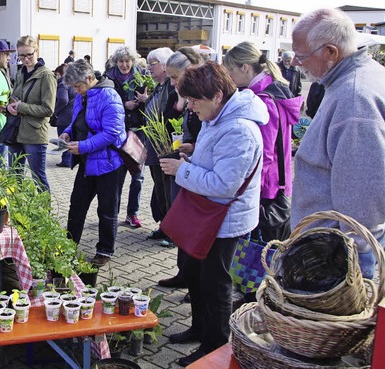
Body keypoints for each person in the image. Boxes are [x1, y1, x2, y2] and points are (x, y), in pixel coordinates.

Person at [160, 61, 265, 366]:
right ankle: (198, 328)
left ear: (217, 95)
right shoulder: (218, 116)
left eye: (194, 101)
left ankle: (214, 345)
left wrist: (183, 170)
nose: (190, 108)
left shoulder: (240, 130)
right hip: (206, 212)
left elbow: (223, 186)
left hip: (224, 218)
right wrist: (194, 151)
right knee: (194, 274)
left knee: (216, 282)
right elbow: (216, 161)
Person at [291, 8, 385, 279]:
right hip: (333, 247)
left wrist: (353, 259)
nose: (296, 64)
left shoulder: (354, 99)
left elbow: (363, 195)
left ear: (331, 52)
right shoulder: (356, 78)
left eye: (301, 56)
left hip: (337, 256)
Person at [223, 41, 303, 242]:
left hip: (266, 184)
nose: (229, 76)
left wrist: (249, 186)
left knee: (261, 248)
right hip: (276, 179)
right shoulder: (273, 90)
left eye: (230, 69)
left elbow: (264, 151)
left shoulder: (262, 100)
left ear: (245, 67)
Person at [59, 59, 127, 268]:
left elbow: (112, 133)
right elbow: (77, 119)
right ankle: (68, 246)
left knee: (107, 209)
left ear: (89, 78)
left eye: (77, 86)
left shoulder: (109, 96)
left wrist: (84, 146)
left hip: (109, 163)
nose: (76, 91)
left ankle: (105, 250)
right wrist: (68, 132)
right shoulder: (83, 94)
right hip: (87, 162)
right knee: (76, 205)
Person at [157, 47, 204, 291]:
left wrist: (194, 146)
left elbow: (207, 136)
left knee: (192, 228)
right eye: (171, 77)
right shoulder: (181, 94)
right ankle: (183, 273)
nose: (172, 82)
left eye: (176, 77)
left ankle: (194, 281)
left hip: (196, 171)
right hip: (184, 163)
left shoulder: (204, 95)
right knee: (181, 222)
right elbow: (166, 116)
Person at [135, 47, 177, 245]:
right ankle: (165, 226)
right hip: (154, 145)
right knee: (160, 188)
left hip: (166, 146)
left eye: (152, 63)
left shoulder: (170, 86)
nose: (149, 67)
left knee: (168, 190)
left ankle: (173, 232)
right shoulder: (159, 86)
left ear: (165, 65)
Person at [6, 35, 57, 191]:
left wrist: (21, 107)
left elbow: (48, 109)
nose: (26, 59)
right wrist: (10, 106)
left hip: (35, 134)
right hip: (16, 131)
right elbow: (15, 97)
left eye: (30, 54)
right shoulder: (21, 72)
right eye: (22, 55)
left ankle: (44, 213)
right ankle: (17, 211)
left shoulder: (46, 75)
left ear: (37, 51)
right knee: (14, 176)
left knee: (38, 177)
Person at [104, 46, 147, 228]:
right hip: (118, 132)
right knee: (117, 175)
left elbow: (150, 103)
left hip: (138, 131)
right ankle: (111, 212)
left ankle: (132, 213)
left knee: (138, 175)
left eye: (127, 61)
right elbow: (105, 102)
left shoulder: (142, 77)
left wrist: (145, 100)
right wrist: (124, 104)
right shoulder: (108, 78)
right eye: (121, 61)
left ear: (133, 61)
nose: (124, 64)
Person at [53, 63, 76, 167]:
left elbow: (63, 99)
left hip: (64, 116)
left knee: (63, 138)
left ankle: (66, 160)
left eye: (56, 74)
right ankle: (71, 159)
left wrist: (56, 111)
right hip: (74, 115)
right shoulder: (73, 83)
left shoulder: (63, 84)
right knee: (71, 138)